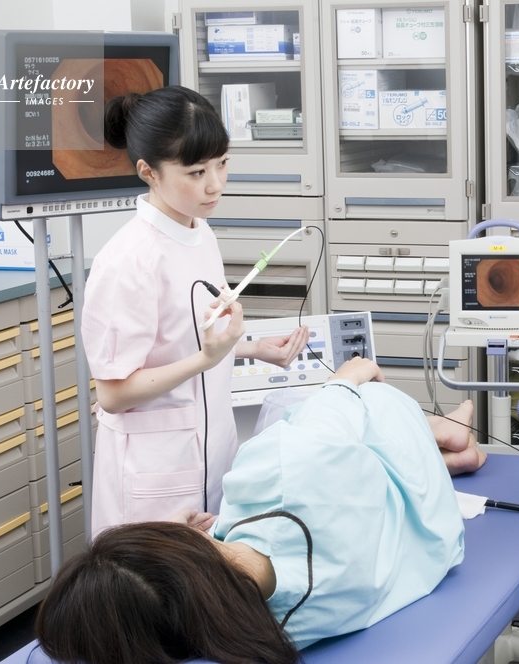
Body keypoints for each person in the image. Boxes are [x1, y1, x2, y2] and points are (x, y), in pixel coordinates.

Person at [35, 358, 471, 663]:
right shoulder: (279, 467)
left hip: (429, 536)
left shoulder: (266, 631)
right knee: (305, 410)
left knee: (342, 455)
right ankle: (438, 431)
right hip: (398, 476)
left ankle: (442, 450)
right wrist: (349, 374)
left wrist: (192, 541)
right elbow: (333, 407)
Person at [83, 86, 311, 535]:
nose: (215, 184)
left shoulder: (200, 232)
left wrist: (253, 349)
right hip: (154, 472)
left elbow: (186, 338)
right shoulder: (128, 261)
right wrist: (207, 360)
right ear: (148, 172)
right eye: (196, 172)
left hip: (212, 453)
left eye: (222, 163)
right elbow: (112, 393)